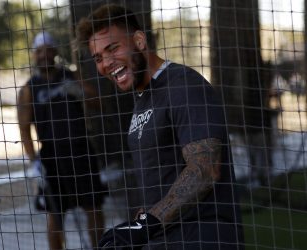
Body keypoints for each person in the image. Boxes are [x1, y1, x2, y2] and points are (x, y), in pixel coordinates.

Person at [76, 4, 244, 250]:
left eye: (113, 48)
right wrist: (136, 229)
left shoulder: (183, 86)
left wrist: (147, 225)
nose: (106, 63)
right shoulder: (141, 100)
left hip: (205, 240)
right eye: (98, 58)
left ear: (140, 40)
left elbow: (205, 169)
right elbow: (161, 188)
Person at [17, 31, 106, 250]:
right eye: (39, 51)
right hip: (51, 156)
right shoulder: (30, 88)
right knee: (55, 214)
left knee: (93, 207)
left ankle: (100, 247)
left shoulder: (71, 76)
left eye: (48, 49)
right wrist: (34, 163)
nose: (44, 55)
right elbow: (24, 129)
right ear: (33, 55)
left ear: (55, 51)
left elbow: (100, 102)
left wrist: (80, 92)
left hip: (81, 151)